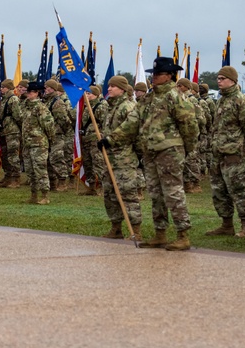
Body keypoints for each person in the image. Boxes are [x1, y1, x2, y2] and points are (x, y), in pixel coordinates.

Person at [101, 57, 199, 251]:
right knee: (156, 194)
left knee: (173, 193)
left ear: (169, 75)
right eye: (152, 74)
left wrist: (186, 148)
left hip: (170, 151)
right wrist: (111, 139)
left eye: (158, 74)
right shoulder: (149, 98)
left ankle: (183, 234)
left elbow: (189, 125)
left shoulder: (175, 96)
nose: (153, 78)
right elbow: (132, 122)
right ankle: (160, 233)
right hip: (151, 152)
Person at [205, 66, 245, 238]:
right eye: (218, 78)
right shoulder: (220, 100)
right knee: (219, 191)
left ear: (233, 80)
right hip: (218, 154)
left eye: (222, 78)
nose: (219, 81)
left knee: (238, 190)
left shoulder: (241, 101)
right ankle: (226, 224)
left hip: (234, 155)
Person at [98, 76, 142, 239]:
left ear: (122, 89)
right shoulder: (111, 107)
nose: (109, 89)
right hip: (110, 158)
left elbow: (132, 132)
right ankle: (116, 228)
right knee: (110, 194)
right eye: (108, 86)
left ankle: (135, 230)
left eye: (113, 86)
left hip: (124, 159)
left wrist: (110, 140)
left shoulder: (128, 107)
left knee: (127, 194)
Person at [20, 81, 54, 204]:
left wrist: (49, 139)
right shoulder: (25, 106)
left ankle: (45, 195)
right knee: (30, 170)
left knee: (40, 169)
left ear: (37, 93)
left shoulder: (41, 107)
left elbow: (49, 125)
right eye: (27, 91)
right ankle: (33, 194)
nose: (28, 94)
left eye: (31, 92)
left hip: (38, 143)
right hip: (27, 143)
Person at [77, 84, 108, 195]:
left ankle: (100, 186)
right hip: (86, 138)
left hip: (95, 139)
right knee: (87, 162)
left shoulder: (101, 106)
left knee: (97, 162)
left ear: (95, 95)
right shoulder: (86, 106)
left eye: (89, 94)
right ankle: (91, 187)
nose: (86, 95)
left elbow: (104, 123)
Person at [44, 79, 74, 191]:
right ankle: (52, 182)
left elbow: (63, 120)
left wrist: (62, 131)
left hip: (57, 134)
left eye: (50, 88)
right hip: (49, 135)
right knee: (48, 159)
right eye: (46, 87)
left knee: (56, 158)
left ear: (55, 89)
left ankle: (62, 181)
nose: (47, 89)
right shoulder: (47, 101)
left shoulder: (57, 102)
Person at [0, 79, 22, 188]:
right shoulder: (4, 99)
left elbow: (18, 116)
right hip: (4, 130)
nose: (1, 89)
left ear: (8, 88)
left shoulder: (13, 99)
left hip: (12, 131)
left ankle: (15, 178)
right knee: (5, 154)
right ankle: (8, 176)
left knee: (13, 155)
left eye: (3, 87)